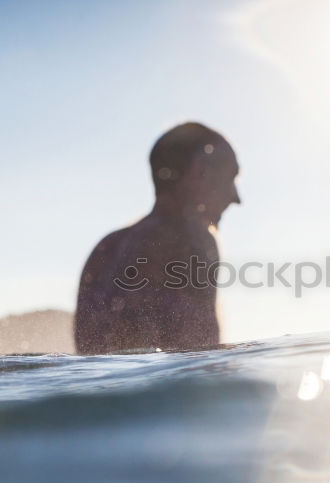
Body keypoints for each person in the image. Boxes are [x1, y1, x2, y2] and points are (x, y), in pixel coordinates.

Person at [74, 122, 241, 354]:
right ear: (199, 172)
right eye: (231, 176)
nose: (235, 197)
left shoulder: (107, 247)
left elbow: (91, 364)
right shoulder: (191, 240)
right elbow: (199, 361)